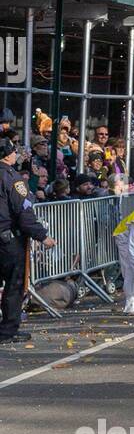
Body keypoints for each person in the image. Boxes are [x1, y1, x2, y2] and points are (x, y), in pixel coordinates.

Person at [0, 137, 56, 344]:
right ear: (8, 154)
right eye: (14, 151)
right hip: (7, 241)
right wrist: (42, 236)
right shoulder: (12, 178)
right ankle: (7, 331)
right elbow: (24, 211)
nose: (16, 154)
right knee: (14, 286)